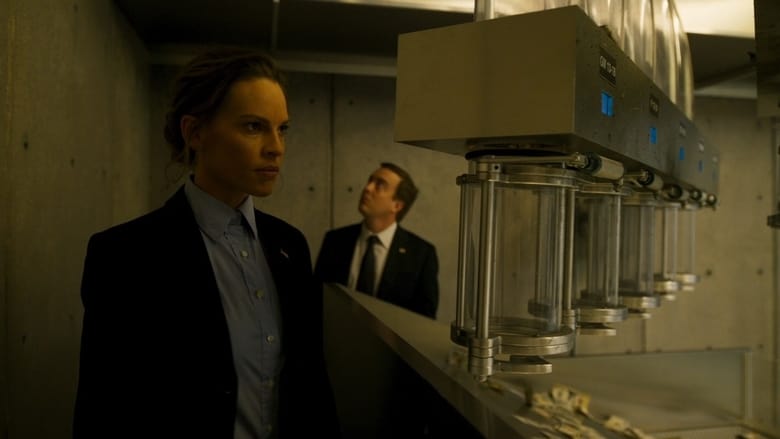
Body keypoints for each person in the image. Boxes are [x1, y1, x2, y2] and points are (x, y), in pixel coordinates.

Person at [73, 47, 340, 439]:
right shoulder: (125, 255)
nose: (276, 147)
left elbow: (311, 386)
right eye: (254, 127)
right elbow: (102, 410)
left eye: (282, 129)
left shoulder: (290, 246)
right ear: (194, 132)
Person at [314, 162, 439, 319]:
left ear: (397, 205)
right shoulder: (335, 241)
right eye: (370, 181)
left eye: (380, 185)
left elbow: (424, 319)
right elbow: (316, 301)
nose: (367, 188)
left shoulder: (421, 254)